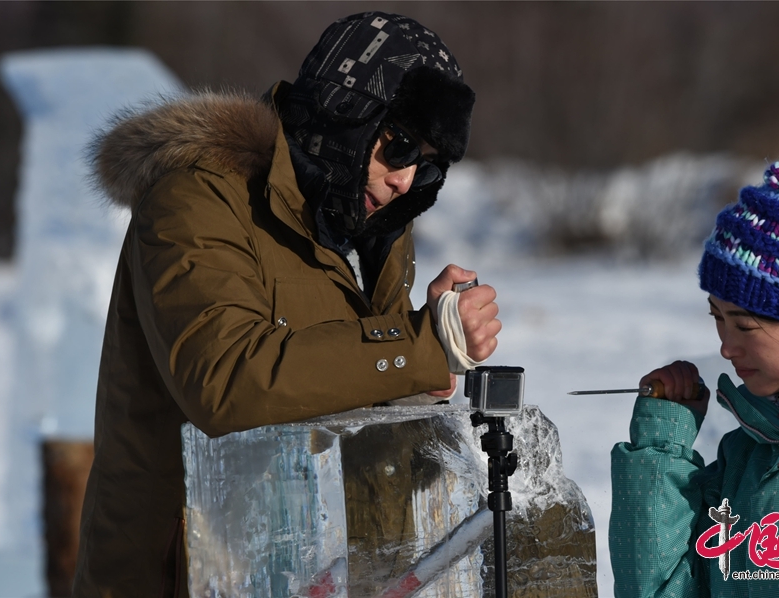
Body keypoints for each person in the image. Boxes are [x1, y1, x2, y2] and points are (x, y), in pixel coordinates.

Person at [73, 12, 501, 597]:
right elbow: (225, 382)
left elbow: (333, 391)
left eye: (425, 164)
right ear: (344, 110)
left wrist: (420, 376)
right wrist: (417, 346)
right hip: (183, 577)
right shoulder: (196, 196)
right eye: (399, 145)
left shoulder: (369, 231)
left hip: (305, 573)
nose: (406, 180)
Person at [609, 114, 779, 597]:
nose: (725, 347)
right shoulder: (745, 455)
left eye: (745, 325)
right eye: (717, 318)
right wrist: (660, 450)